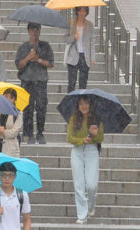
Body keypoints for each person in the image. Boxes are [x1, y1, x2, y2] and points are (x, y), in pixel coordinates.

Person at [15, 23, 54, 145]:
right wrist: (28, 58)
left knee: (41, 107)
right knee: (28, 108)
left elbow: (51, 64)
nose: (34, 33)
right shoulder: (23, 47)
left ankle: (40, 132)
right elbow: (18, 65)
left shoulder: (45, 46)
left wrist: (38, 59)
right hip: (27, 81)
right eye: (32, 30)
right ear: (28, 31)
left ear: (40, 31)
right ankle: (29, 133)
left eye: (37, 30)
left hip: (41, 80)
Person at [67, 95, 103, 224]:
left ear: (90, 105)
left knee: (92, 185)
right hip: (77, 152)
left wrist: (94, 135)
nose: (84, 106)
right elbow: (70, 138)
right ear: (78, 105)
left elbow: (101, 139)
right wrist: (82, 140)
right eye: (81, 104)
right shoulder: (73, 118)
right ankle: (82, 215)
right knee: (79, 185)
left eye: (86, 103)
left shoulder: (96, 119)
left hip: (92, 151)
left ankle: (91, 205)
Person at [65, 7, 96, 93]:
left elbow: (92, 41)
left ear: (86, 12)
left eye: (84, 11)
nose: (82, 13)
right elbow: (66, 39)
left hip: (84, 56)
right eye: (80, 11)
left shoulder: (90, 24)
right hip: (73, 56)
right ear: (77, 11)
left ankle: (81, 104)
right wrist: (73, 37)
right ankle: (70, 103)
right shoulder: (70, 23)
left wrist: (92, 58)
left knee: (83, 84)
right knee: (71, 83)